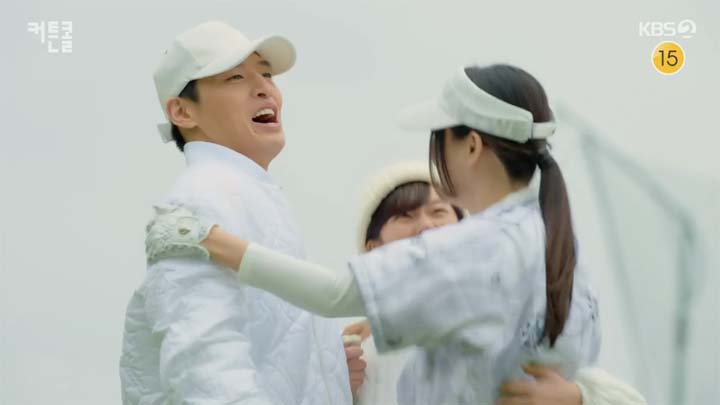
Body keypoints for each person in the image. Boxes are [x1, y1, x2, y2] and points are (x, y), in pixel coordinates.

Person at [144, 63, 602, 404]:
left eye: (439, 139)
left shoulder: (475, 246)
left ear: (472, 145)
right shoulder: (558, 248)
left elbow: (334, 293)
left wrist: (212, 240)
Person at [119, 21, 362, 404]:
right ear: (182, 111)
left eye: (266, 74)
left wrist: (327, 368)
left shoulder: (247, 195)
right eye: (235, 77)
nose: (265, 88)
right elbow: (205, 375)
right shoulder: (200, 200)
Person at [343, 162, 646, 405]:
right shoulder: (355, 355)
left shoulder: (506, 321)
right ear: (372, 249)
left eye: (439, 211)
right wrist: (336, 385)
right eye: (405, 216)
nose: (426, 225)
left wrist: (579, 398)